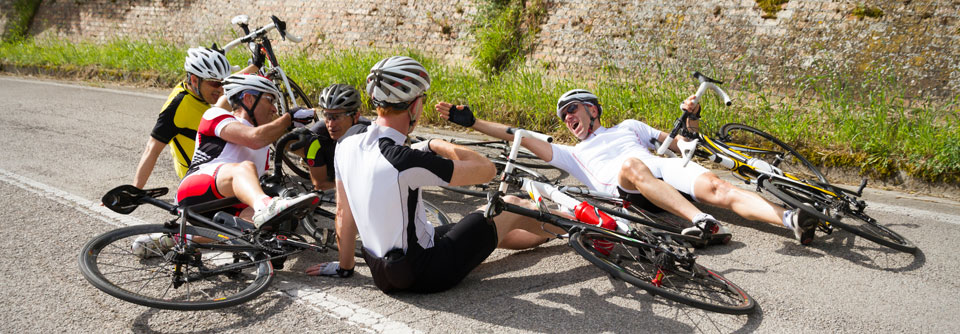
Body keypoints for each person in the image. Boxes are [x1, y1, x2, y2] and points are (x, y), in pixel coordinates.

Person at [304, 56, 562, 292]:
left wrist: (344, 267)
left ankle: (555, 235)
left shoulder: (345, 146)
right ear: (415, 106)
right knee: (511, 206)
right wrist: (436, 144)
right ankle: (588, 226)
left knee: (484, 230)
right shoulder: (406, 160)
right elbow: (487, 170)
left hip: (383, 274)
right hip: (425, 272)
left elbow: (342, 213)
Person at [433, 89, 819, 245]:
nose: (568, 117)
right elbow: (518, 134)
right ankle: (702, 221)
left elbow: (686, 144)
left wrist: (693, 119)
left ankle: (790, 220)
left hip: (662, 170)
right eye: (563, 116)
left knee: (720, 187)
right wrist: (473, 123)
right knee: (633, 166)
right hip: (628, 190)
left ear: (593, 109)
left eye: (573, 110)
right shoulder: (572, 153)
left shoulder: (630, 127)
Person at [174, 73, 319, 227]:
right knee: (245, 168)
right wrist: (288, 119)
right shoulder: (217, 115)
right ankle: (265, 206)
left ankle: (179, 238)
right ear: (249, 99)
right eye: (270, 100)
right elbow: (253, 138)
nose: (273, 109)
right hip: (196, 190)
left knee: (275, 227)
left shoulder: (265, 142)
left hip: (230, 204)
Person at [131, 46, 264, 189]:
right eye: (215, 83)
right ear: (194, 80)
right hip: (200, 177)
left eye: (223, 82)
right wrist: (135, 190)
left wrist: (253, 67)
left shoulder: (200, 89)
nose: (220, 88)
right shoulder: (177, 106)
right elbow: (152, 149)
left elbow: (223, 83)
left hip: (217, 159)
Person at [288, 84, 372, 190]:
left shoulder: (369, 133)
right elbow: (320, 185)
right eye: (327, 116)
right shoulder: (318, 134)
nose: (331, 124)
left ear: (355, 117)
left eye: (337, 117)